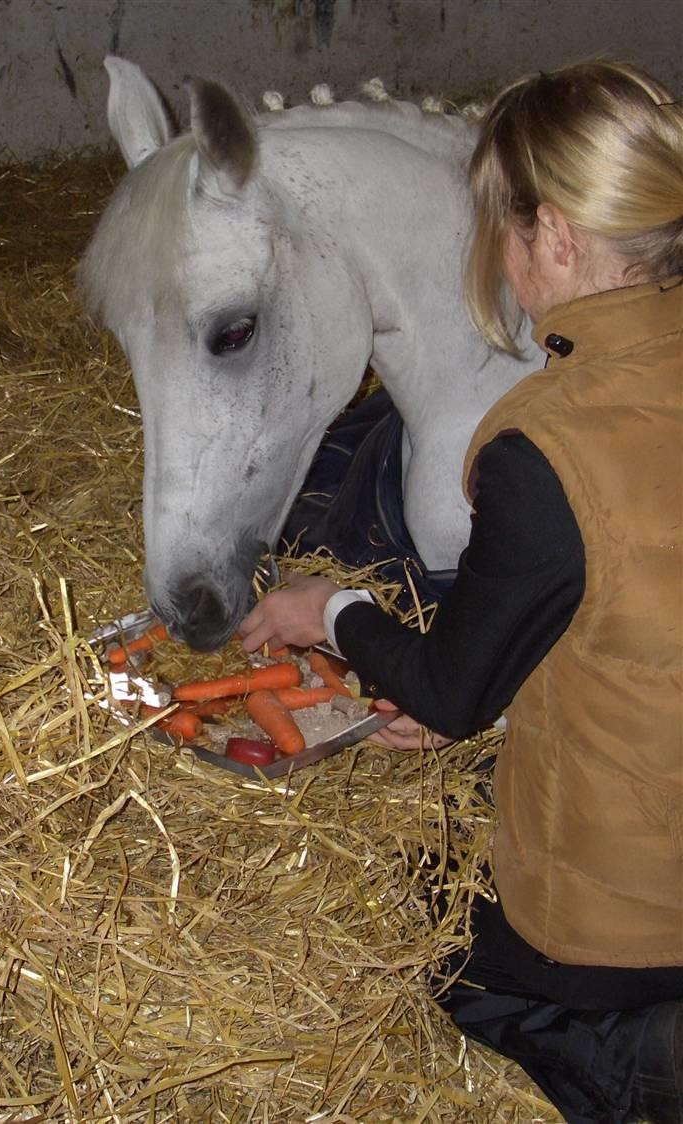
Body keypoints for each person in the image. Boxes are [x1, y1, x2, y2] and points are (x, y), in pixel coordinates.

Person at [239, 60, 683, 1124]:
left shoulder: (547, 441)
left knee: (437, 935)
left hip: (626, 924)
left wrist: (327, 611)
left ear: (558, 239)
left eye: (503, 229)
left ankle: (637, 1058)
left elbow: (444, 689)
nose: (496, 255)